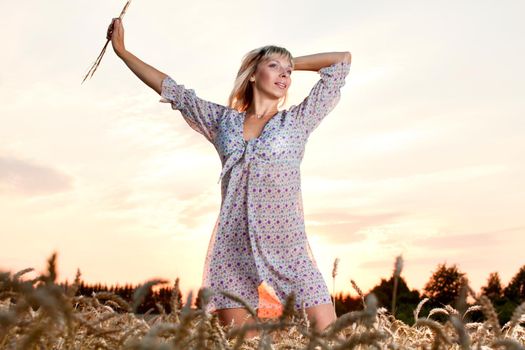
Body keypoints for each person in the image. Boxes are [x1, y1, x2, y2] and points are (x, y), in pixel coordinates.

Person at [107, 17, 351, 340]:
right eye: (275, 66)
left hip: (290, 254)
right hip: (233, 257)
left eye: (288, 71)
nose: (285, 75)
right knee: (244, 347)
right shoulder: (223, 121)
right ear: (253, 74)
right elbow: (173, 90)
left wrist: (294, 60)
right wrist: (123, 52)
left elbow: (342, 62)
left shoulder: (297, 122)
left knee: (331, 338)